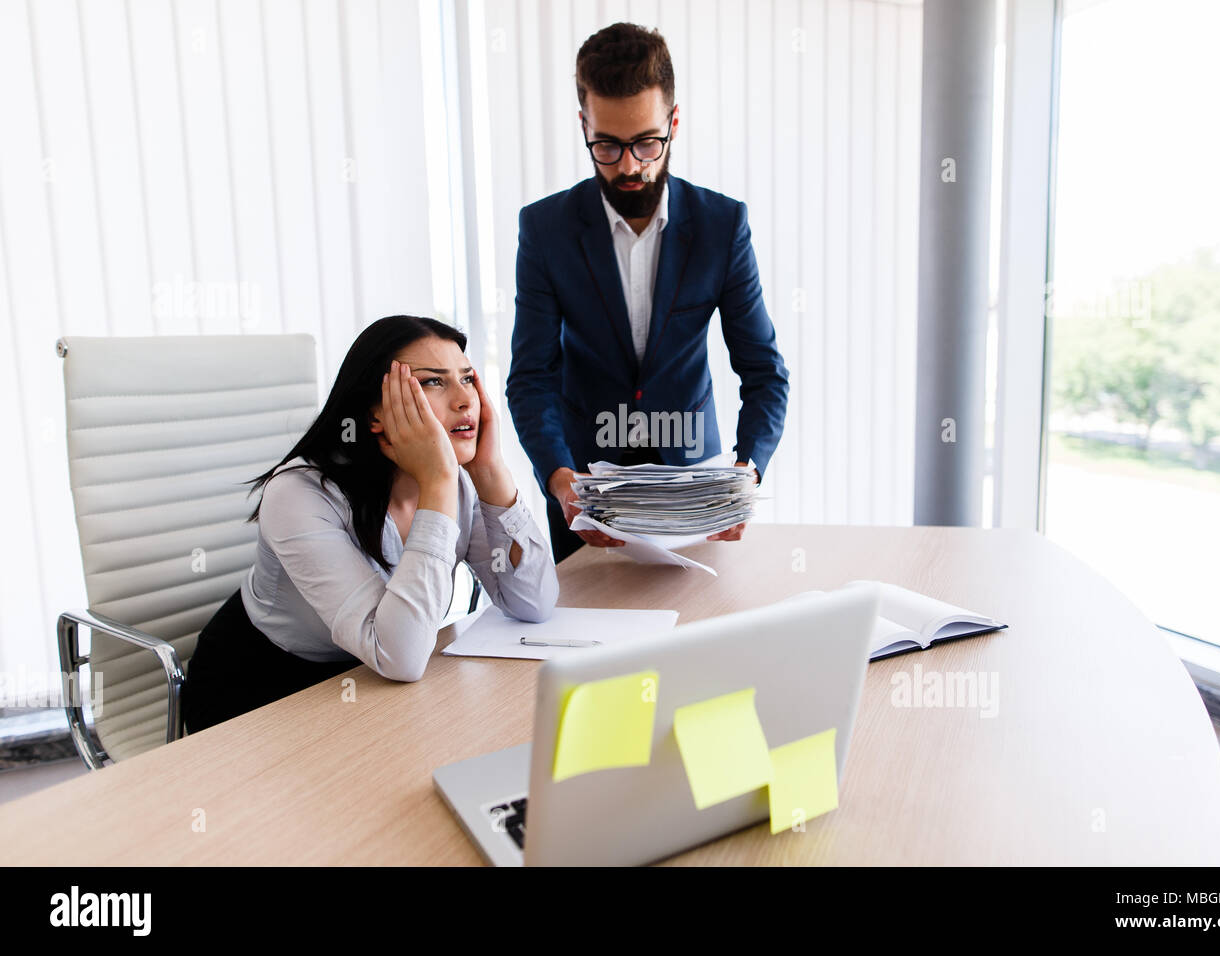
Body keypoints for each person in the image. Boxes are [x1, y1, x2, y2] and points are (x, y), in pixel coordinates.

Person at [182, 315, 557, 734]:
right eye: (434, 382)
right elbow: (399, 656)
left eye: (467, 379)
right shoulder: (299, 493)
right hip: (262, 686)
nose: (465, 400)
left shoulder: (461, 480)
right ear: (375, 412)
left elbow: (534, 603)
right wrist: (437, 482)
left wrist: (491, 471)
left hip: (374, 681)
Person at [506, 22, 789, 564]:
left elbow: (764, 370)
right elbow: (531, 377)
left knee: (698, 639)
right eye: (607, 146)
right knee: (584, 641)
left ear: (674, 122)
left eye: (646, 142)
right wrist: (561, 479)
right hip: (584, 497)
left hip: (694, 496)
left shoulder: (722, 225)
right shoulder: (545, 230)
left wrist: (746, 473)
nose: (630, 165)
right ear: (583, 124)